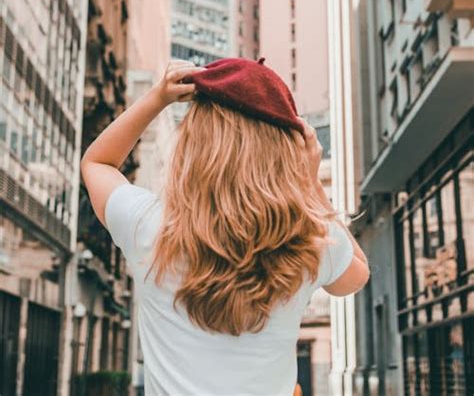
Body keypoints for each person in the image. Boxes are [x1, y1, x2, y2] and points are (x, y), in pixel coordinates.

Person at [81, 58, 370, 395]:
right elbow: (357, 275)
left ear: (194, 144)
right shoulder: (310, 240)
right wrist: (311, 184)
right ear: (285, 152)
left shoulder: (149, 227)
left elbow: (96, 163)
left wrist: (157, 98)